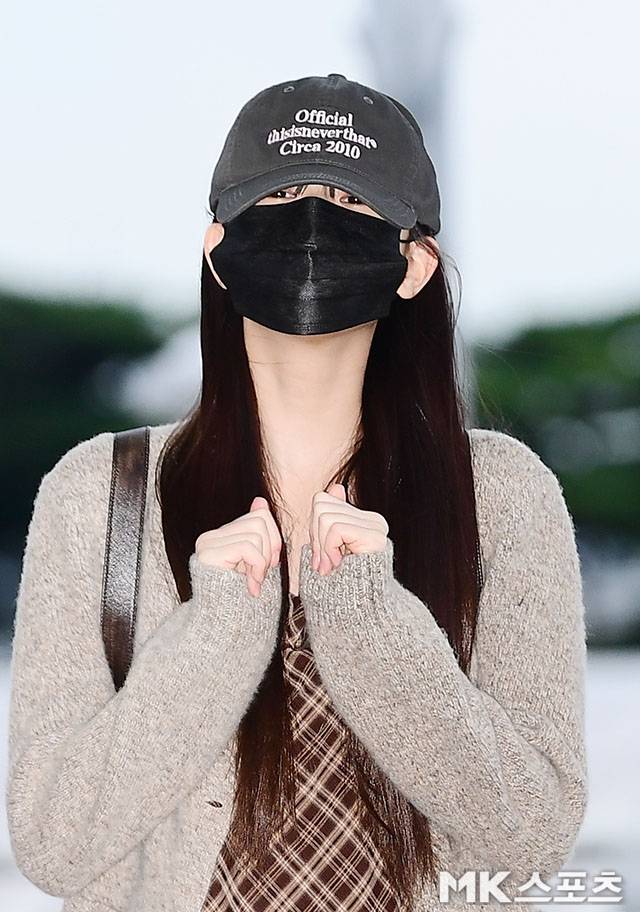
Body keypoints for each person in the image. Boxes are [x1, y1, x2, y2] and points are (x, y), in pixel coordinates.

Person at [6, 73, 588, 912]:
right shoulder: (100, 494)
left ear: (414, 264)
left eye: (348, 200)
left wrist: (372, 622)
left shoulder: (500, 496)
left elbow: (531, 838)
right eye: (280, 195)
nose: (311, 222)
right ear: (218, 249)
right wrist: (212, 635)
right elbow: (54, 845)